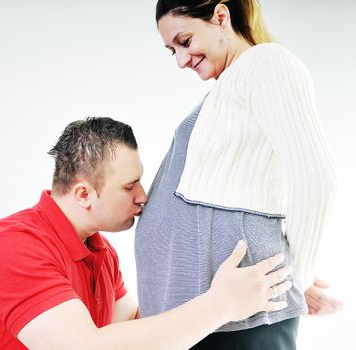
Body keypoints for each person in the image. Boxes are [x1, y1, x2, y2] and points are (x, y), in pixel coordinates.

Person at [0, 117, 294, 350]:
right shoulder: (14, 246)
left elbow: (138, 328)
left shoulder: (100, 252)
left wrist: (270, 275)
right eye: (129, 186)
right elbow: (84, 347)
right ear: (84, 194)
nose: (142, 196)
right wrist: (221, 304)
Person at [135, 1, 342, 349]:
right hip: (207, 317)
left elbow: (317, 178)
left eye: (185, 41)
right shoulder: (229, 88)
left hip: (238, 320)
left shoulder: (267, 63)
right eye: (172, 51)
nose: (181, 60)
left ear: (220, 17)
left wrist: (294, 278)